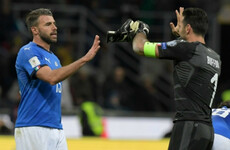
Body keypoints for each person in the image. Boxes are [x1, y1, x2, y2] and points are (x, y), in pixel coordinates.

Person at [108, 7, 221, 149]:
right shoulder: (215, 58)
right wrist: (181, 36)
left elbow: (140, 47)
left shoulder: (185, 48)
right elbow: (190, 59)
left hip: (188, 125)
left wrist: (141, 30)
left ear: (188, 28)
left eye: (181, 25)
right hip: (207, 130)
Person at [14, 8, 100, 150]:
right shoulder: (28, 51)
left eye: (54, 23)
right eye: (48, 24)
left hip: (56, 127)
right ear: (34, 30)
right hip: (33, 126)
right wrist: (84, 59)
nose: (55, 28)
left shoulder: (54, 58)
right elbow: (51, 77)